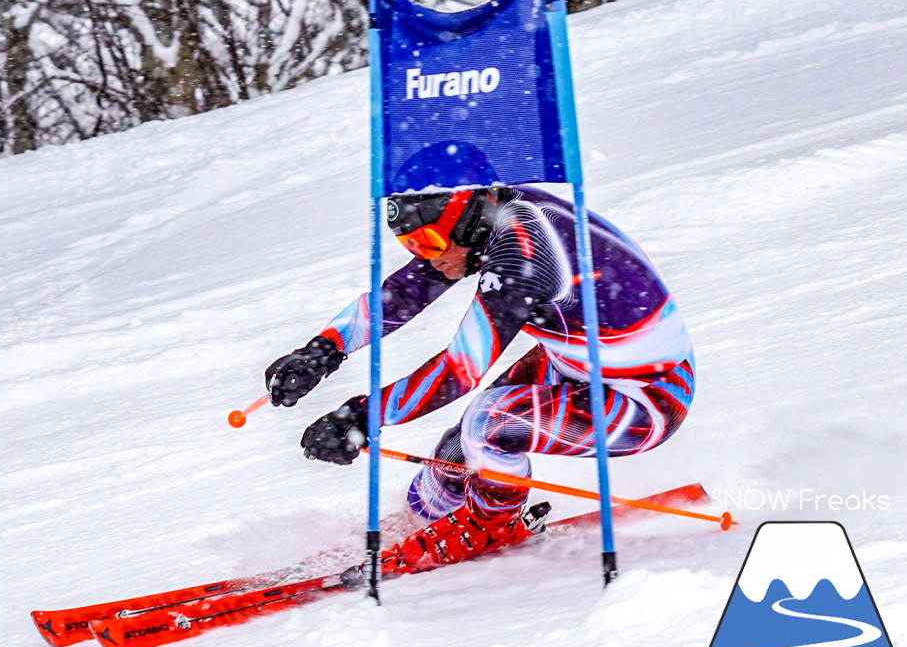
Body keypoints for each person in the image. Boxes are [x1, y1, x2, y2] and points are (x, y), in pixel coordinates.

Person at [265, 185, 694, 573]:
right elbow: (403, 294)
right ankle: (426, 517)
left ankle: (490, 525)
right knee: (457, 449)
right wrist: (321, 352)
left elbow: (461, 369)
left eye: (429, 241)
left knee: (489, 426)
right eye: (410, 243)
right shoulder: (487, 221)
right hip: (577, 366)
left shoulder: (524, 256)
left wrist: (359, 417)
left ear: (465, 221)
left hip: (648, 398)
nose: (426, 256)